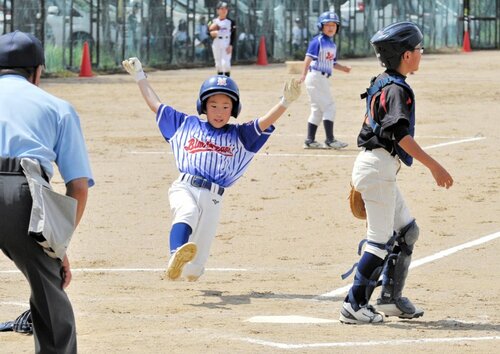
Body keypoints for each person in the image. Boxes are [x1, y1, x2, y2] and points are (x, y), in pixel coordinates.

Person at [122, 57, 301, 282]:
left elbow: (264, 122)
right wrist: (140, 76)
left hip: (214, 198)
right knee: (187, 212)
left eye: (226, 107)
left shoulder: (240, 135)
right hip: (184, 186)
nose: (219, 111)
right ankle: (174, 254)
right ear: (203, 106)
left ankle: (184, 265)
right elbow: (155, 105)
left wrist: (285, 102)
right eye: (213, 105)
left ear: (234, 109)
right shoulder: (186, 124)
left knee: (194, 270)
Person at [339, 22, 453, 324]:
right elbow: (400, 135)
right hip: (376, 168)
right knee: (379, 240)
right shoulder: (395, 89)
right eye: (419, 49)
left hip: (378, 168)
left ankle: (389, 299)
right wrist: (434, 166)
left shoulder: (385, 81)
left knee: (407, 232)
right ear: (405, 55)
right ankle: (354, 305)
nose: (421, 53)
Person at [0, 31, 94, 352]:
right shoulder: (58, 107)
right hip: (20, 191)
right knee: (49, 300)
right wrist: (57, 246)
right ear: (37, 72)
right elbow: (78, 188)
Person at [299, 11, 351, 150]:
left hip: (322, 78)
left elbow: (332, 63)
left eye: (334, 25)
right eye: (327, 24)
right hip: (316, 76)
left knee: (317, 110)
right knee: (329, 107)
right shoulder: (318, 41)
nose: (331, 27)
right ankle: (329, 140)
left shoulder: (332, 45)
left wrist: (343, 68)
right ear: (321, 26)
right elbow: (308, 59)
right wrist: (303, 75)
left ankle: (310, 140)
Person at [208, 1, 236, 77]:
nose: (224, 10)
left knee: (226, 63)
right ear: (217, 10)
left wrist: (231, 45)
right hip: (216, 41)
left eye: (226, 9)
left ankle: (227, 79)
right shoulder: (212, 21)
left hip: (226, 41)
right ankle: (220, 80)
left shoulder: (231, 22)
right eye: (222, 8)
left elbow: (233, 34)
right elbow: (207, 29)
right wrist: (211, 33)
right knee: (218, 63)